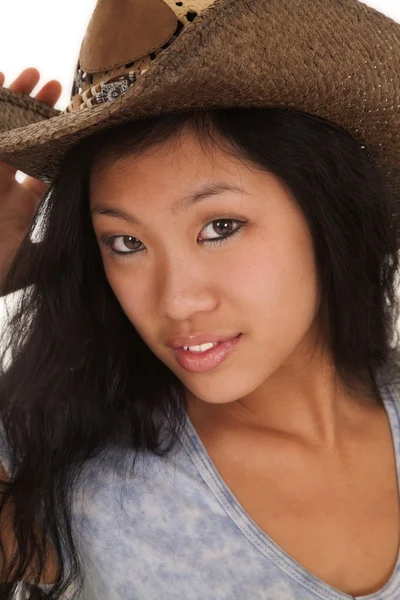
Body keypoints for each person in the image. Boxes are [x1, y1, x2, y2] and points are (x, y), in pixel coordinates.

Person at [0, 0, 400, 599]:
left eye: (219, 227)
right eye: (127, 242)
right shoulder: (74, 475)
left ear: (328, 214)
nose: (176, 301)